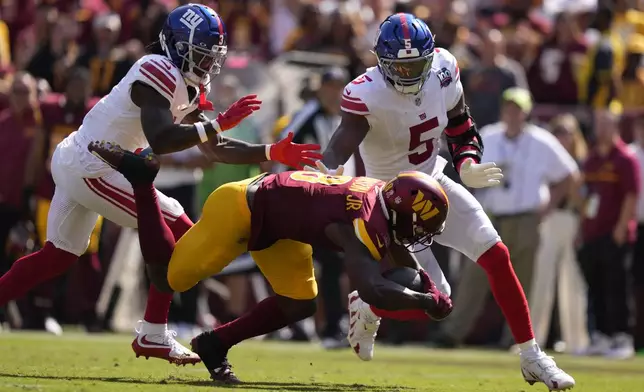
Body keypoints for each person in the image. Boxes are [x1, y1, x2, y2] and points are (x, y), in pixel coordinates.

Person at [0, 4, 320, 366]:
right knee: (181, 231)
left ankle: (152, 330)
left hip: (84, 157)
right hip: (95, 166)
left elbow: (213, 149)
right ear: (178, 47)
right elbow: (163, 138)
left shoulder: (188, 80)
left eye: (212, 57)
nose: (208, 65)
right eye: (201, 55)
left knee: (56, 257)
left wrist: (268, 150)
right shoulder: (157, 70)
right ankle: (153, 331)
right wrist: (217, 123)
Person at [317, 13, 575, 390]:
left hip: (434, 180)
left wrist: (466, 162)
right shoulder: (366, 92)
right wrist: (320, 174)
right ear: (382, 63)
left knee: (496, 254)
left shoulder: (443, 68)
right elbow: (341, 143)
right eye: (400, 68)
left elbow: (460, 124)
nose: (408, 76)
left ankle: (532, 355)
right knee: (440, 301)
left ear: (430, 56)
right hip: (391, 202)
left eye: (416, 66)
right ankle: (369, 305)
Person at [89, 141, 453, 383]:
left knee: (299, 303)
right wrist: (426, 301)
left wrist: (430, 285)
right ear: (405, 211)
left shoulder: (380, 196)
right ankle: (142, 180)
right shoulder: (365, 219)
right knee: (167, 278)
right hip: (242, 209)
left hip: (282, 226)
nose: (420, 234)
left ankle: (214, 344)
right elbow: (371, 289)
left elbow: (397, 253)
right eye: (422, 224)